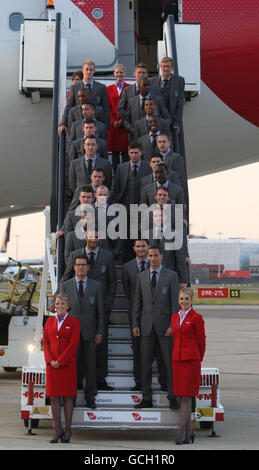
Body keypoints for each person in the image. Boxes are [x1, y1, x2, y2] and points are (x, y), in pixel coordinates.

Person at [132, 245, 179, 409]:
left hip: (165, 328)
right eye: (150, 256)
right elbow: (138, 302)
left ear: (161, 256)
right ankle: (146, 398)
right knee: (145, 364)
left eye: (155, 255)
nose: (152, 258)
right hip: (146, 327)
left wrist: (173, 325)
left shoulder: (171, 276)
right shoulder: (141, 276)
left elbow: (175, 304)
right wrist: (135, 323)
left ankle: (173, 396)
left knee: (168, 363)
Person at [58, 254, 104, 409]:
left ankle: (90, 397)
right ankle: (71, 397)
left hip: (90, 334)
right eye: (78, 265)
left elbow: (101, 312)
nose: (81, 267)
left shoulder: (96, 286)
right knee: (72, 367)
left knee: (91, 367)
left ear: (88, 267)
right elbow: (59, 309)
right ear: (74, 267)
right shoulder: (65, 285)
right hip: (70, 335)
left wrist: (100, 332)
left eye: (83, 265)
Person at [42, 293, 80, 443]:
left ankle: (68, 431)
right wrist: (51, 360)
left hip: (67, 365)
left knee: (68, 398)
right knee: (54, 399)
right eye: (57, 304)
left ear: (68, 306)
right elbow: (45, 342)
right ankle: (57, 430)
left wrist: (61, 361)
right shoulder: (50, 321)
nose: (59, 306)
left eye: (62, 304)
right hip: (52, 366)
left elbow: (74, 344)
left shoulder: (74, 322)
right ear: (54, 306)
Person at [171, 287, 206, 444]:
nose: (184, 302)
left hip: (191, 361)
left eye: (186, 299)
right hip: (177, 361)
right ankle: (189, 431)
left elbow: (201, 341)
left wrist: (198, 358)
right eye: (181, 299)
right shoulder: (174, 317)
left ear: (191, 300)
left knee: (186, 398)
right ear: (178, 300)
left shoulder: (196, 317)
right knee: (180, 397)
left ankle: (181, 433)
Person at [58, 59, 110, 134]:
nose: (88, 72)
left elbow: (106, 108)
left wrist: (106, 125)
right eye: (87, 69)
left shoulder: (101, 87)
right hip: (79, 126)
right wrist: (63, 124)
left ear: (94, 71)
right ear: (83, 70)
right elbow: (69, 107)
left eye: (91, 70)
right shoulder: (74, 88)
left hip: (96, 126)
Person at [106, 64, 130, 174]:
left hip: (124, 125)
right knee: (114, 154)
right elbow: (107, 107)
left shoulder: (129, 88)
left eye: (121, 72)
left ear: (125, 74)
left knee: (126, 153)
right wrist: (113, 121)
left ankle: (125, 174)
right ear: (114, 74)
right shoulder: (108, 89)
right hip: (113, 126)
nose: (119, 74)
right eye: (117, 72)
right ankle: (116, 175)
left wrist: (122, 120)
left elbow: (130, 107)